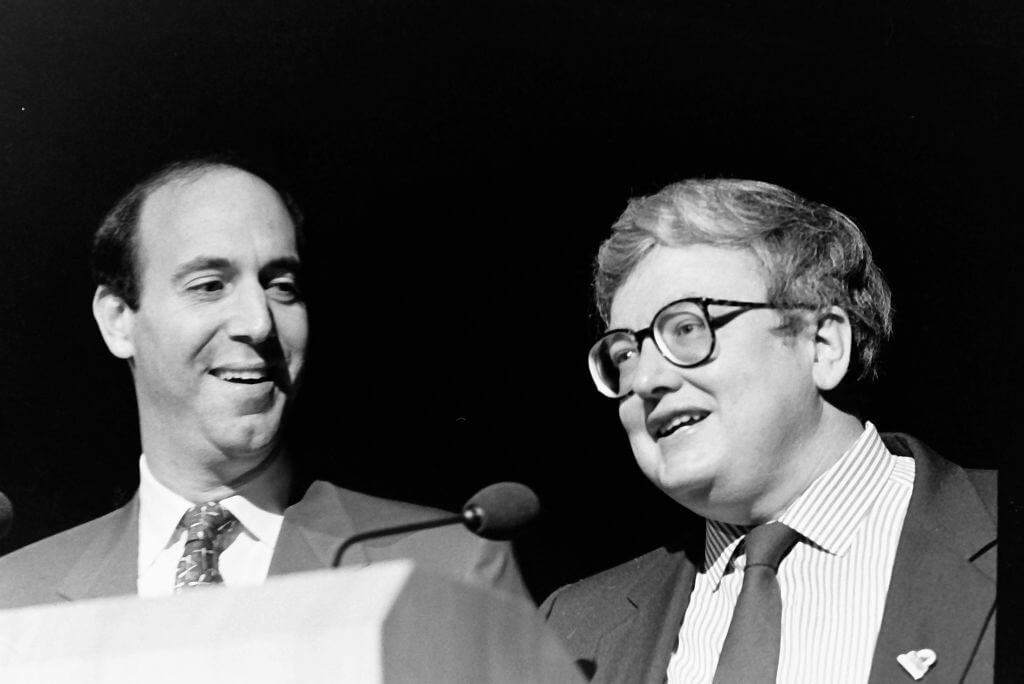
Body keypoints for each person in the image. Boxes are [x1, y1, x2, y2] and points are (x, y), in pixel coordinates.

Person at [0, 158, 526, 608]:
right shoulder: (16, 598)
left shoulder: (447, 563)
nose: (257, 322)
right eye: (209, 285)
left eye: (282, 287)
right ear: (118, 319)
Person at [541, 179, 995, 683]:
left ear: (822, 345)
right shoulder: (571, 632)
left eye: (688, 328)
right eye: (625, 354)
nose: (647, 379)